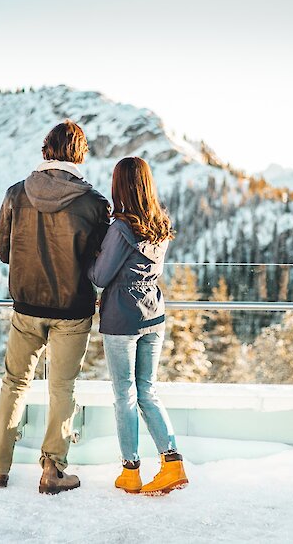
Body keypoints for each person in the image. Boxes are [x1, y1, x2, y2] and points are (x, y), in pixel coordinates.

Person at [0, 120, 111, 495]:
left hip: (26, 306)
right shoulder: (93, 204)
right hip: (73, 310)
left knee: (13, 384)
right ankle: (52, 471)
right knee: (62, 388)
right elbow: (100, 264)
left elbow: (3, 250)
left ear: (45, 151)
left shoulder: (15, 194)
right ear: (80, 154)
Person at [88, 156, 188, 495]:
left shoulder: (120, 228)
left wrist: (91, 256)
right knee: (148, 390)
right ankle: (171, 462)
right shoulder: (159, 224)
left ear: (120, 187)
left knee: (125, 394)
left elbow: (101, 276)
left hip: (121, 318)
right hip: (153, 314)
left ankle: (131, 471)